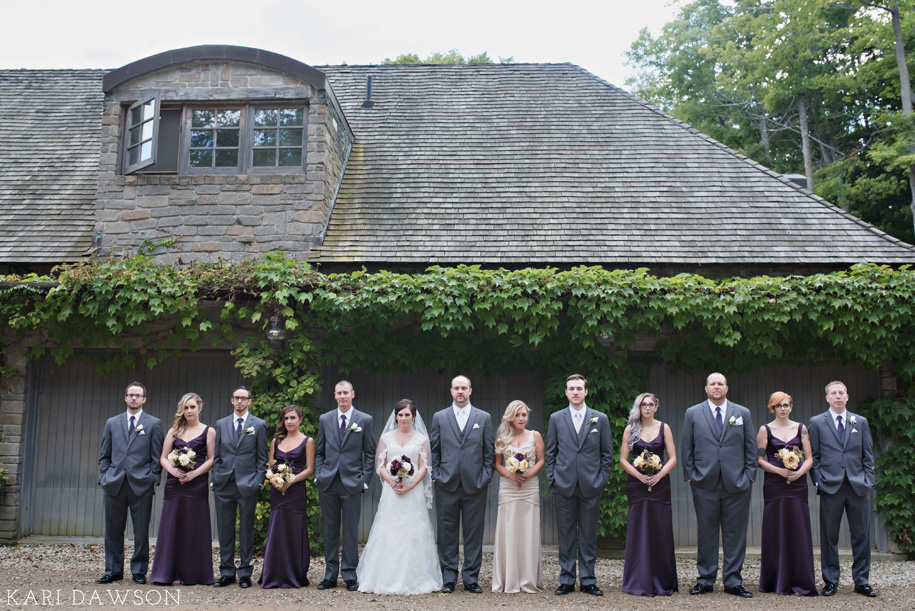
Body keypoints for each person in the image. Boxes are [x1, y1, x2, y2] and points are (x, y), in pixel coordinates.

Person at [680, 372, 756, 598]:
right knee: (706, 533)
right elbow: (687, 448)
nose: (716, 387)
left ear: (726, 387)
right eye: (712, 384)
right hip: (704, 483)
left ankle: (733, 581)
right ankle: (705, 580)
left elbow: (750, 447)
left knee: (735, 535)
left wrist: (749, 476)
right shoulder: (693, 413)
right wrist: (691, 476)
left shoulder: (742, 413)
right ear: (706, 388)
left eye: (720, 384)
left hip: (737, 484)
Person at [357, 399, 441, 594]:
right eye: (400, 415)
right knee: (389, 530)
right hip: (392, 491)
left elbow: (424, 467)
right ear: (395, 417)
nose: (403, 418)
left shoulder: (421, 439)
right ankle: (384, 577)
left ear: (413, 416)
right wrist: (392, 481)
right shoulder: (387, 438)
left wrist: (410, 486)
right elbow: (380, 464)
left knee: (413, 532)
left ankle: (416, 579)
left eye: (407, 415)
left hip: (413, 491)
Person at [544, 374, 613, 597]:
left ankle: (588, 580)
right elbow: (551, 451)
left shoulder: (599, 419)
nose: (575, 392)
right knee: (565, 535)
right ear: (566, 392)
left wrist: (601, 480)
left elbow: (606, 454)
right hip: (563, 485)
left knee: (588, 535)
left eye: (579, 388)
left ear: (586, 392)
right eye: (571, 388)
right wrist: (553, 479)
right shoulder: (556, 418)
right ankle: (566, 580)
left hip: (591, 485)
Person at [808, 381, 876, 597]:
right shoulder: (817, 422)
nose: (837, 396)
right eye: (833, 393)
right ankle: (830, 581)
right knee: (829, 536)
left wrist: (869, 480)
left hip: (858, 486)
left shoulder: (861, 422)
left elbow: (868, 454)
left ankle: (862, 581)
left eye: (841, 393)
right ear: (827, 398)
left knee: (861, 536)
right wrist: (818, 480)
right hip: (830, 486)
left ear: (847, 397)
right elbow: (814, 456)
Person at [430, 375, 495, 594]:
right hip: (446, 483)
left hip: (475, 484)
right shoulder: (439, 417)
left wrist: (486, 476)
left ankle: (471, 578)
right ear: (451, 391)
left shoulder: (483, 417)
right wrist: (437, 475)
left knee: (473, 533)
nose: (460, 391)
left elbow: (489, 451)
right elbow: (434, 450)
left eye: (464, 388)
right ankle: (448, 578)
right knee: (447, 532)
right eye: (456, 388)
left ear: (470, 391)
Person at [97, 381, 165, 585]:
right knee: (113, 530)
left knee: (141, 531)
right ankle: (113, 570)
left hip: (141, 485)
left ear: (144, 399)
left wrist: (152, 478)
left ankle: (138, 570)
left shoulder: (153, 423)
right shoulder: (112, 422)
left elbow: (157, 456)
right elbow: (104, 455)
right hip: (114, 484)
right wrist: (104, 477)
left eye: (138, 395)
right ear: (125, 397)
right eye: (130, 395)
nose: (134, 398)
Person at [314, 380, 376, 591]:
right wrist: (319, 475)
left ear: (352, 394)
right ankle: (330, 575)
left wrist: (364, 481)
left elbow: (370, 454)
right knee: (330, 530)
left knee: (350, 531)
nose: (342, 396)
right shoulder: (325, 419)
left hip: (352, 483)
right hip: (328, 482)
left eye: (345, 393)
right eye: (339, 393)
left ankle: (350, 574)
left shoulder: (364, 420)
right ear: (334, 395)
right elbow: (320, 451)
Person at [150, 393, 216, 586]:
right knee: (173, 525)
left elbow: (212, 458)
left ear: (200, 408)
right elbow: (163, 457)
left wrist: (194, 474)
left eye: (192, 407)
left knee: (194, 525)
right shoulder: (174, 431)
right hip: (175, 484)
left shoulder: (209, 431)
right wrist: (173, 470)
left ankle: (195, 574)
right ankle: (168, 573)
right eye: (185, 408)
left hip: (196, 484)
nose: (189, 411)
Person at [756, 391, 817, 596]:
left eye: (786, 405)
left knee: (798, 527)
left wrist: (800, 472)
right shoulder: (765, 430)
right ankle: (775, 581)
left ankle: (801, 580)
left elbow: (809, 457)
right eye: (779, 405)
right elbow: (759, 459)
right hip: (774, 484)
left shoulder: (801, 428)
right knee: (775, 527)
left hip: (798, 485)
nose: (783, 408)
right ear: (772, 408)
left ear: (792, 407)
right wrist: (779, 470)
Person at [619, 393, 678, 596]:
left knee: (660, 528)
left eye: (651, 404)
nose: (647, 408)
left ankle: (662, 579)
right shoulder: (631, 429)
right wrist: (640, 477)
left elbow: (673, 457)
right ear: (639, 407)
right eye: (643, 404)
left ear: (656, 406)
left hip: (660, 485)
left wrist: (659, 475)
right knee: (639, 528)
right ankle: (638, 579)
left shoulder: (665, 428)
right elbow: (623, 460)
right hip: (637, 485)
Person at [211, 386, 268, 588]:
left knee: (246, 529)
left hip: (247, 484)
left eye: (243, 398)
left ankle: (245, 572)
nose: (240, 402)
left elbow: (262, 458)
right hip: (224, 484)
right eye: (236, 398)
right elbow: (217, 456)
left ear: (250, 401)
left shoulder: (259, 425)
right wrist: (216, 477)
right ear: (231, 400)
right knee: (225, 530)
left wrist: (258, 482)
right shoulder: (221, 424)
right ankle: (226, 572)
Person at [491, 400, 545, 593]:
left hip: (529, 487)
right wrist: (511, 474)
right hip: (508, 487)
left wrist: (528, 474)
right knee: (509, 528)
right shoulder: (502, 437)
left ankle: (528, 578)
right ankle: (508, 578)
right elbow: (498, 464)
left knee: (529, 529)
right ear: (510, 417)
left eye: (524, 415)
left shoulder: (535, 435)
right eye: (517, 415)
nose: (521, 419)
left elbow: (541, 460)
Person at [260, 405, 315, 589]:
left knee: (293, 529)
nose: (289, 421)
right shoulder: (276, 441)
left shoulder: (308, 441)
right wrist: (275, 480)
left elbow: (309, 469)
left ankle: (294, 573)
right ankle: (273, 573)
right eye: (286, 418)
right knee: (277, 528)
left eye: (292, 418)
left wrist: (290, 481)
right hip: (277, 491)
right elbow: (270, 466)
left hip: (295, 491)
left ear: (300, 419)